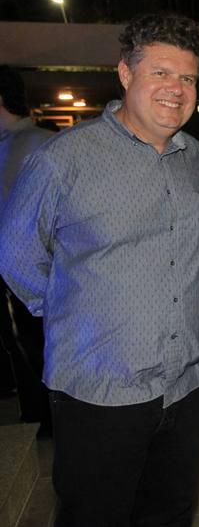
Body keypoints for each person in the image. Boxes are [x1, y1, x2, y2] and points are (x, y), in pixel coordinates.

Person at [0, 13, 199, 526]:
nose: (176, 89)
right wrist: (71, 312)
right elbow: (16, 254)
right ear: (126, 74)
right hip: (99, 390)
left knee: (170, 514)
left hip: (188, 385)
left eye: (188, 77)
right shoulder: (63, 159)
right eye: (161, 73)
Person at [0, 66, 54, 431]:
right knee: (16, 345)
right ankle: (35, 413)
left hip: (33, 272)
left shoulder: (40, 145)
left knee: (33, 344)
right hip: (13, 270)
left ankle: (46, 416)